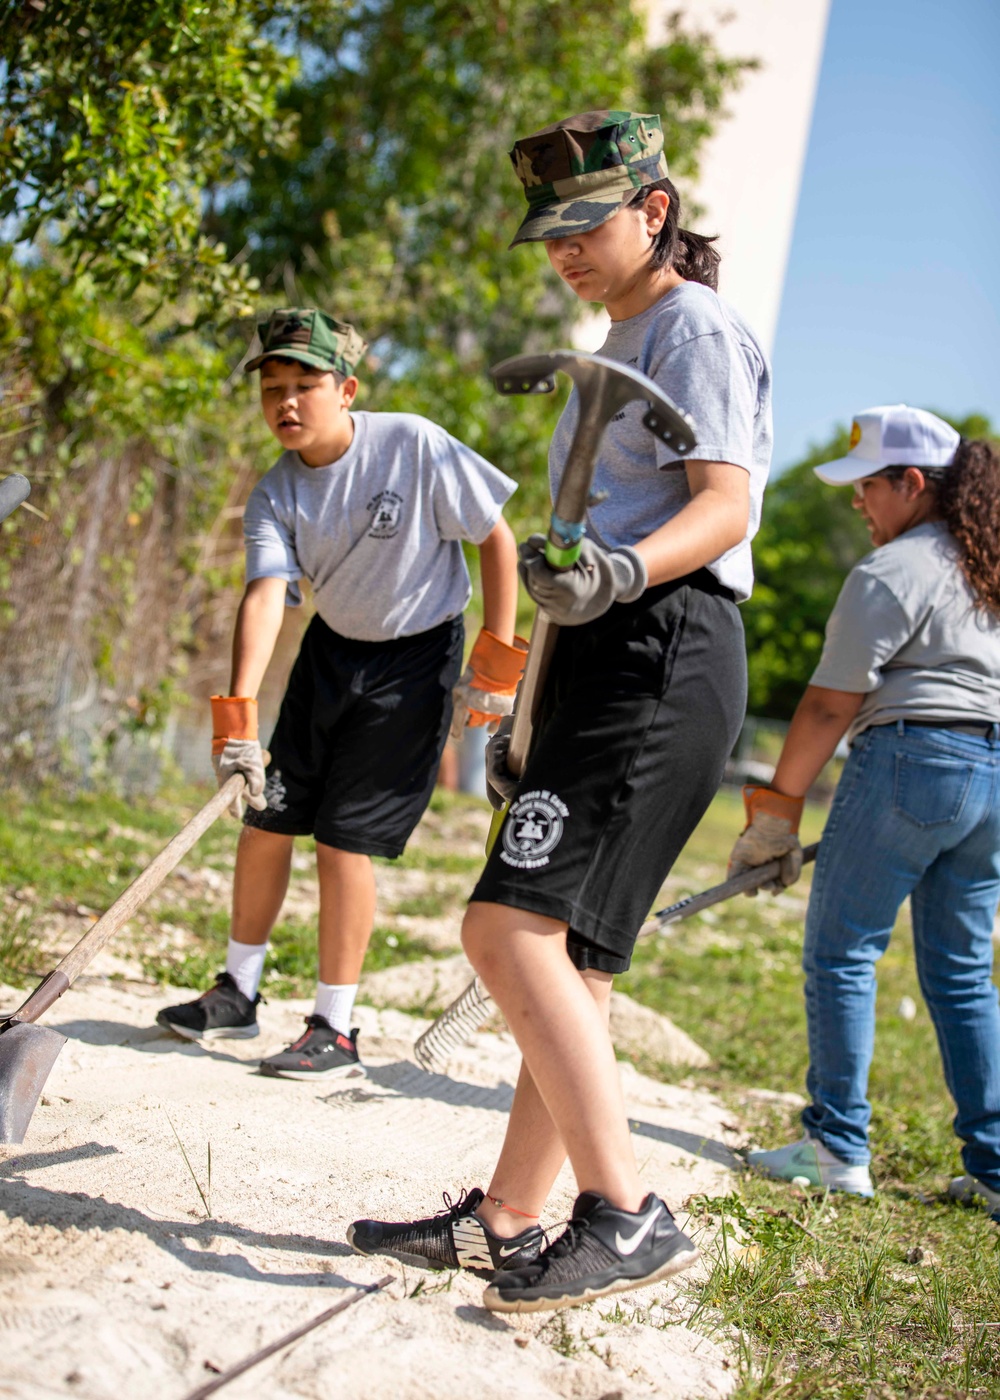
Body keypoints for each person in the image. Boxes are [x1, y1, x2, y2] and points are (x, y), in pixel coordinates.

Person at [348, 110, 772, 1309]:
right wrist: (525, 710)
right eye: (553, 234)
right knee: (566, 961)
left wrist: (627, 573)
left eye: (590, 224)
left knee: (504, 931)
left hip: (664, 646)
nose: (567, 250)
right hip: (598, 657)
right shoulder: (621, 340)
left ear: (654, 212)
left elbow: (726, 505)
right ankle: (508, 1218)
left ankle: (629, 1213)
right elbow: (577, 557)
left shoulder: (691, 325)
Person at [157, 308, 523, 1079]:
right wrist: (238, 720)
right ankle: (237, 992)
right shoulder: (276, 493)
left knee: (344, 842)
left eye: (305, 385)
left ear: (347, 388)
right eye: (273, 389)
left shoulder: (412, 444)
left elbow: (495, 536)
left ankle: (334, 1026)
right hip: (330, 655)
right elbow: (264, 594)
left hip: (416, 663)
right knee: (266, 818)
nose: (286, 403)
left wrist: (495, 664)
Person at [728, 405, 1000, 1219]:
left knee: (843, 952)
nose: (858, 503)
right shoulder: (986, 568)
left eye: (867, 486)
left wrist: (774, 815)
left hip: (912, 762)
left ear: (913, 484)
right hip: (993, 775)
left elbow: (823, 707)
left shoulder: (893, 572)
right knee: (961, 974)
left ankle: (836, 1145)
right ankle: (995, 1166)